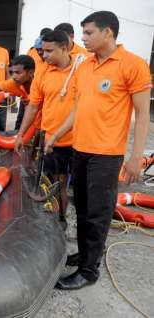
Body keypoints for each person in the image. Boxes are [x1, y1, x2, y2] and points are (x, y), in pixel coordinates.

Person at [46, 11, 151, 290]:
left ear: (108, 33)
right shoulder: (85, 66)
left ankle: (88, 271)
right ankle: (85, 253)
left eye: (89, 32)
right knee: (81, 207)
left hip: (107, 154)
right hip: (81, 148)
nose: (83, 38)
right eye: (83, 33)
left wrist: (135, 157)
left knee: (98, 212)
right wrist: (57, 133)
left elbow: (142, 114)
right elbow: (78, 108)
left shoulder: (133, 65)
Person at [15, 30, 81, 226]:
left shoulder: (83, 68)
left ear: (64, 47)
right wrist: (20, 134)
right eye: (42, 51)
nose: (44, 56)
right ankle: (59, 222)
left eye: (49, 51)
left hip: (80, 142)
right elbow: (33, 106)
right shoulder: (43, 72)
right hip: (52, 141)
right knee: (55, 183)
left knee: (78, 188)